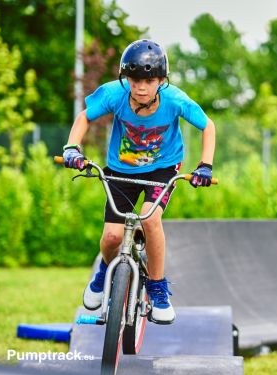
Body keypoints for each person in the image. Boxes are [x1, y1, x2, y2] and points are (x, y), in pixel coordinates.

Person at [62, 39, 216, 324]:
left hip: (163, 169)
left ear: (161, 80)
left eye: (150, 80)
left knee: (150, 219)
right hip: (121, 170)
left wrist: (204, 165)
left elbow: (208, 125)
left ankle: (157, 289)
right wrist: (72, 147)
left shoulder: (174, 100)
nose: (141, 87)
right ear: (126, 79)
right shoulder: (114, 94)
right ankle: (103, 275)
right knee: (111, 237)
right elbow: (84, 117)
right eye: (135, 80)